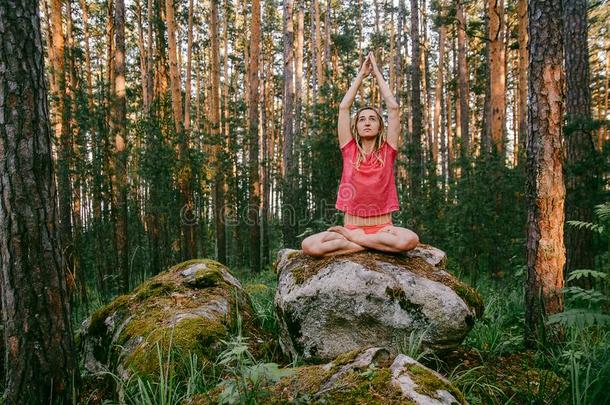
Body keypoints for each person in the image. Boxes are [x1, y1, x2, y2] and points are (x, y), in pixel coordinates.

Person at [301, 52, 419, 257]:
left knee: (410, 240)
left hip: (383, 229)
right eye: (362, 119)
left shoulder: (388, 150)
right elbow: (343, 107)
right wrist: (361, 75)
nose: (366, 122)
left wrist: (377, 72)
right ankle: (371, 245)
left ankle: (358, 243)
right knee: (310, 245)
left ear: (380, 126)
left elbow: (393, 107)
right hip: (353, 227)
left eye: (372, 119)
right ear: (355, 126)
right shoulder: (349, 150)